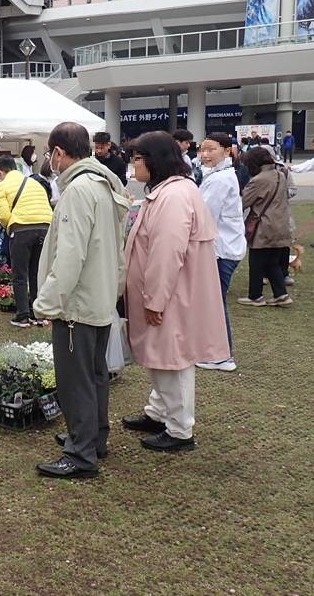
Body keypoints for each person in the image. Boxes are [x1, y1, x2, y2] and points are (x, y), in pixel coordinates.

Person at [33, 123, 131, 480]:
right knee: (95, 376)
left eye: (51, 154)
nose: (50, 160)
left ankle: (80, 452)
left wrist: (46, 303)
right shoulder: (103, 184)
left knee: (76, 381)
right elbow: (115, 248)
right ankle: (93, 438)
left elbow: (69, 256)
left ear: (59, 153)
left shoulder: (77, 190)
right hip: (99, 299)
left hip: (77, 305)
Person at [123, 131, 229, 453]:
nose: (134, 165)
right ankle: (159, 413)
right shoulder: (170, 191)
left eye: (137, 159)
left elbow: (166, 254)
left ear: (154, 161)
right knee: (161, 356)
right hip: (170, 293)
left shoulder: (173, 196)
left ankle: (180, 429)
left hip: (171, 295)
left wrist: (155, 300)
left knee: (172, 359)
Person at [194, 134, 246, 372]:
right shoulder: (219, 174)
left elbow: (204, 217)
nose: (205, 155)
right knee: (214, 301)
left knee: (215, 302)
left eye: (210, 150)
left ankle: (223, 356)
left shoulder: (220, 179)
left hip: (222, 249)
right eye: (202, 150)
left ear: (227, 151)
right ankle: (214, 351)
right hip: (225, 247)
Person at [0, 154, 53, 328]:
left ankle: (23, 316)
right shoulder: (33, 182)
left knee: (20, 274)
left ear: (1, 172)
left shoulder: (3, 185)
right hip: (45, 227)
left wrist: (10, 227)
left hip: (21, 229)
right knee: (37, 273)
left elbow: (3, 215)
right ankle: (38, 314)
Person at [239, 148, 293, 307]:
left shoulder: (258, 180)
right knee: (272, 262)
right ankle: (281, 294)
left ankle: (255, 296)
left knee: (256, 262)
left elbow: (243, 202)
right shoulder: (280, 175)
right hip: (280, 224)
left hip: (264, 226)